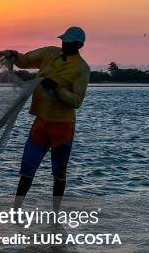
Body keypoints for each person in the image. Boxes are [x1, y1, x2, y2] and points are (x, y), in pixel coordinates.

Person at [12, 26, 90, 211]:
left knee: (59, 172)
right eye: (63, 40)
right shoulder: (50, 53)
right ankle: (15, 210)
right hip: (41, 123)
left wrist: (56, 87)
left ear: (79, 45)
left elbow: (76, 101)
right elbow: (24, 60)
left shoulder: (81, 68)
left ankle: (55, 216)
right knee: (27, 169)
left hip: (62, 127)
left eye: (69, 42)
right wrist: (13, 55)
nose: (64, 44)